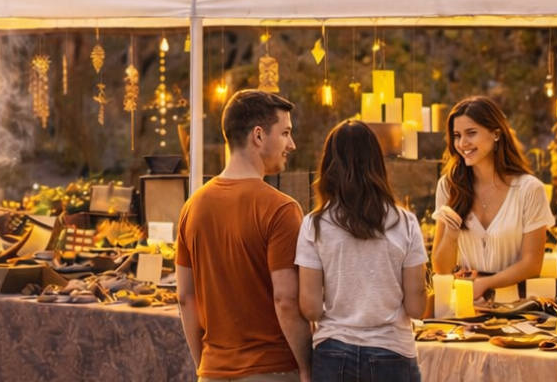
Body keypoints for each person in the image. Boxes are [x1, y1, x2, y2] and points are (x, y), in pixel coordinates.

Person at [177, 90, 309, 382]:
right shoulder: (281, 209)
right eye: (285, 133)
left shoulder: (192, 208)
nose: (292, 144)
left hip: (212, 371)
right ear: (258, 136)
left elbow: (185, 298)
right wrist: (307, 368)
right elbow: (285, 299)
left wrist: (206, 365)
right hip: (272, 369)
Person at [298, 120, 426, 382]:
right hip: (393, 351)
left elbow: (310, 307)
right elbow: (416, 307)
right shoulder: (406, 222)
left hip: (333, 352)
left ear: (329, 166)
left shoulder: (315, 224)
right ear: (378, 164)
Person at [430, 96, 553, 300]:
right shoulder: (448, 186)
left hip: (517, 312)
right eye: (457, 135)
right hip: (464, 308)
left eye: (471, 133)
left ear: (496, 134)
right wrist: (451, 234)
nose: (462, 143)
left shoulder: (529, 189)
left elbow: (532, 264)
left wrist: (486, 283)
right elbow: (441, 269)